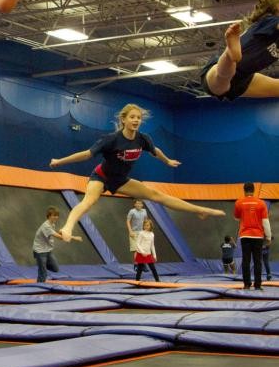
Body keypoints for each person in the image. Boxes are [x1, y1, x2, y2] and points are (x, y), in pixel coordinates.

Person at [49, 103, 225, 241]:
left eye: (139, 118)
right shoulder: (111, 139)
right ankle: (68, 227)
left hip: (121, 180)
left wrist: (167, 161)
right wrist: (59, 161)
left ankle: (199, 210)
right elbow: (86, 154)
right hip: (101, 177)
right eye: (132, 117)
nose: (136, 120)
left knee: (157, 195)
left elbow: (157, 151)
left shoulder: (143, 139)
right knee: (89, 201)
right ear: (124, 120)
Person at [201, 0, 279, 100]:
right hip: (218, 72)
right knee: (223, 77)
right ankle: (230, 54)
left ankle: (230, 57)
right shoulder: (269, 20)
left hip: (245, 78)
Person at [234, 182, 271, 290]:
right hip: (258, 236)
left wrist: (245, 215)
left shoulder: (239, 203)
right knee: (257, 261)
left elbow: (236, 218)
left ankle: (246, 284)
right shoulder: (261, 203)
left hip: (245, 235)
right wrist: (268, 237)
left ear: (244, 190)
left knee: (246, 260)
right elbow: (265, 222)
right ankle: (258, 285)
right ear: (253, 190)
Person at [32, 206, 82, 283]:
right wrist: (74, 237)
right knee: (43, 273)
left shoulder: (52, 224)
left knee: (55, 269)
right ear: (49, 216)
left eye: (57, 215)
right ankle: (40, 286)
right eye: (54, 215)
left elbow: (54, 234)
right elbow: (60, 238)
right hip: (40, 251)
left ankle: (42, 265)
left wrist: (61, 232)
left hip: (48, 250)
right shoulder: (46, 226)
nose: (56, 217)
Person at [126, 199, 147, 273]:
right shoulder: (132, 211)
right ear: (134, 204)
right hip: (134, 232)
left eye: (140, 204)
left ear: (142, 205)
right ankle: (136, 265)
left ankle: (143, 265)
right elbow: (128, 221)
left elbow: (145, 221)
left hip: (142, 232)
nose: (138, 205)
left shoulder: (144, 211)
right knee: (136, 250)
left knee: (142, 249)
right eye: (137, 203)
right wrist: (130, 231)